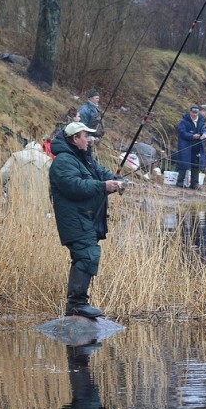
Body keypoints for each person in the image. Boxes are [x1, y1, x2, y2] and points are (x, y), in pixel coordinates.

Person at [49, 121, 124, 318]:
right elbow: (73, 186)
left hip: (85, 218)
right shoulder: (64, 161)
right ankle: (76, 304)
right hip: (75, 219)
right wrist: (103, 187)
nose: (89, 140)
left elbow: (102, 174)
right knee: (86, 255)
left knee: (87, 255)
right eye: (85, 136)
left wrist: (117, 182)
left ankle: (78, 304)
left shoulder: (83, 159)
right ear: (75, 139)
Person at [0, 141, 52, 206]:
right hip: (40, 203)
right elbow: (52, 184)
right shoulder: (47, 160)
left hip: (16, 200)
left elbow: (2, 175)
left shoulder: (16, 156)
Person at [175, 105, 206, 189]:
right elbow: (181, 132)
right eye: (193, 113)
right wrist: (192, 136)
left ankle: (195, 184)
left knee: (195, 164)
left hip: (197, 146)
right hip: (185, 145)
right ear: (190, 112)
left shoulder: (200, 121)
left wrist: (204, 134)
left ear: (198, 113)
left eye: (196, 113)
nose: (194, 114)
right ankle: (180, 182)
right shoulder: (184, 121)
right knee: (183, 163)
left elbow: (204, 129)